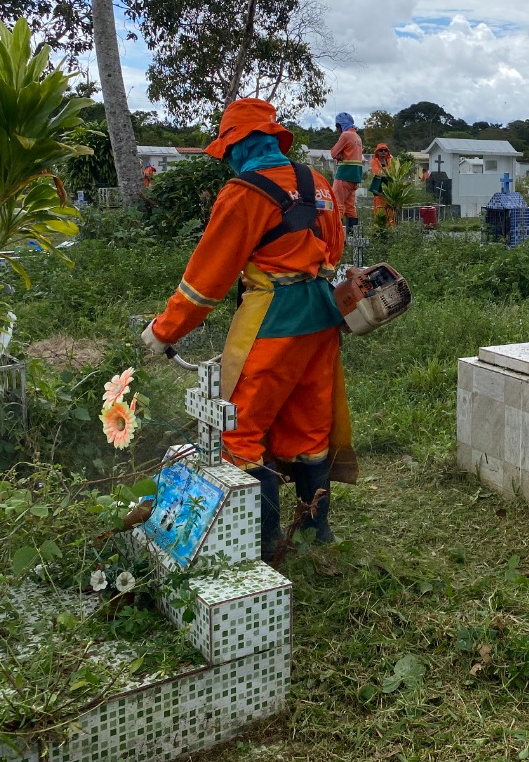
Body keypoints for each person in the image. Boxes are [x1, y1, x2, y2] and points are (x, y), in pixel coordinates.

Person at [140, 98, 352, 560]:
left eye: (228, 150)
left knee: (237, 428)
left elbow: (206, 281)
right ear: (273, 138)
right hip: (321, 317)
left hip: (274, 320)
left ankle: (262, 543)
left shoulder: (244, 192)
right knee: (308, 424)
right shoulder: (316, 182)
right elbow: (333, 249)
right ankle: (316, 532)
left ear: (238, 145)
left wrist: (163, 331)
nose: (227, 160)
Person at [330, 111, 364, 232]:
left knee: (336, 205)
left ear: (340, 125)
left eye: (337, 126)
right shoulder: (357, 137)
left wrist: (338, 154)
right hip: (355, 177)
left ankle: (336, 235)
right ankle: (353, 235)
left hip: (344, 174)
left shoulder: (346, 135)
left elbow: (333, 153)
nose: (337, 129)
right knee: (350, 208)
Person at [370, 143, 394, 226]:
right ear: (377, 152)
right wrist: (387, 171)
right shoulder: (374, 161)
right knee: (379, 212)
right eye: (381, 150)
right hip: (378, 190)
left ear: (388, 152)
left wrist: (385, 171)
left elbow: (392, 172)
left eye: (385, 150)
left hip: (390, 191)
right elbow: (378, 172)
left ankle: (390, 229)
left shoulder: (390, 161)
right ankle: (379, 230)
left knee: (390, 213)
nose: (383, 152)